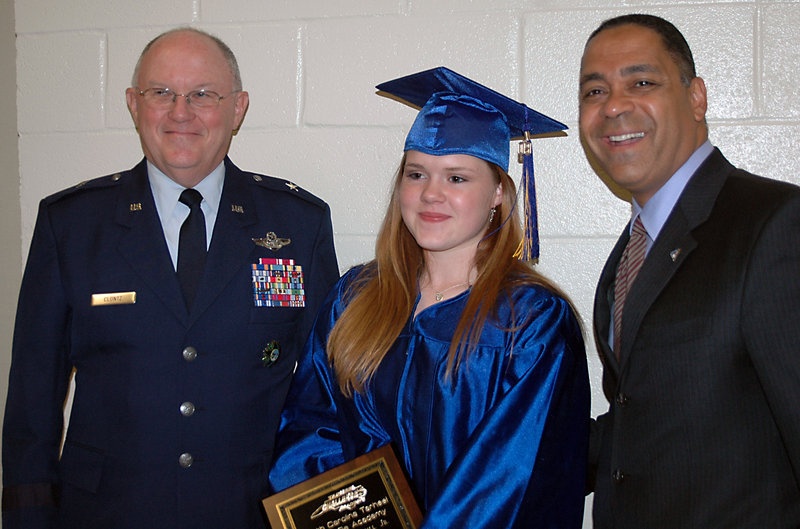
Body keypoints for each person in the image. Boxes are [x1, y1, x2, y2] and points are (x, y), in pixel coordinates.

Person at [2, 27, 339, 529]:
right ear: (134, 105)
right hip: (105, 514)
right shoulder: (72, 225)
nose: (181, 112)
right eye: (161, 92)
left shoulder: (297, 224)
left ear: (238, 108)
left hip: (246, 512)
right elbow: (32, 401)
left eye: (203, 94)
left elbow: (326, 393)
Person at [268, 67, 590, 528]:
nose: (430, 194)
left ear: (498, 193)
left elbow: (513, 480)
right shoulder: (354, 298)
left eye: (457, 178)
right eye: (416, 174)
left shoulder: (530, 322)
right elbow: (309, 432)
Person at [580, 13, 800, 528]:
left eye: (641, 82)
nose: (613, 105)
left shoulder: (775, 224)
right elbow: (643, 419)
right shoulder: (635, 246)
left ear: (696, 97)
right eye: (594, 91)